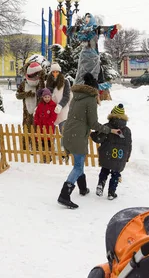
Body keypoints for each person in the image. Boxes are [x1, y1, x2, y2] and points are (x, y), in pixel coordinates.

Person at [57, 73, 121, 209]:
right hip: (78, 135)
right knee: (78, 166)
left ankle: (83, 188)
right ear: (94, 89)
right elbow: (93, 124)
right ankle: (64, 195)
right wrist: (110, 130)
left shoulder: (77, 97)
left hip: (68, 132)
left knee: (78, 162)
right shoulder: (91, 99)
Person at [64, 13, 121, 88]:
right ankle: (80, 86)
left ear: (92, 19)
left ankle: (93, 86)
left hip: (93, 55)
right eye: (86, 17)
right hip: (84, 55)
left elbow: (106, 29)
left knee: (94, 71)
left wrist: (114, 27)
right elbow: (71, 30)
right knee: (81, 71)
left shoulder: (96, 29)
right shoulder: (82, 29)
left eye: (88, 17)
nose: (86, 19)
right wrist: (64, 28)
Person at [90, 104, 132, 200]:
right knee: (116, 173)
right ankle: (111, 193)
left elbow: (98, 138)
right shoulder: (127, 130)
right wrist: (127, 156)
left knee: (104, 170)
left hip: (107, 154)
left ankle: (100, 185)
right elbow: (129, 145)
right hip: (120, 155)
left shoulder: (107, 127)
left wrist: (92, 134)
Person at [16, 62, 46, 128]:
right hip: (26, 114)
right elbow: (17, 95)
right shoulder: (24, 84)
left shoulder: (41, 83)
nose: (34, 77)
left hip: (39, 113)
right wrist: (26, 94)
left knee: (37, 131)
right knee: (27, 130)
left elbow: (44, 93)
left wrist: (41, 79)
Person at [33, 88, 57, 163]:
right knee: (42, 142)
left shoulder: (53, 105)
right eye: (45, 97)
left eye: (48, 97)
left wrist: (48, 122)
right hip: (40, 127)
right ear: (43, 97)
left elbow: (54, 116)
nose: (47, 98)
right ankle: (43, 156)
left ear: (50, 97)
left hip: (48, 127)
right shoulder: (40, 105)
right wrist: (36, 121)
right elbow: (36, 114)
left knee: (49, 142)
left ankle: (48, 157)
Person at [46, 63, 72, 132]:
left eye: (57, 72)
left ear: (59, 72)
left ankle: (64, 143)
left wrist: (60, 105)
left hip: (62, 109)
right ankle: (52, 143)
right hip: (51, 110)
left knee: (63, 132)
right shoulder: (48, 82)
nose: (55, 73)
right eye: (53, 72)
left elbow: (66, 96)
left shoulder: (65, 81)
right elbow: (46, 95)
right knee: (51, 133)